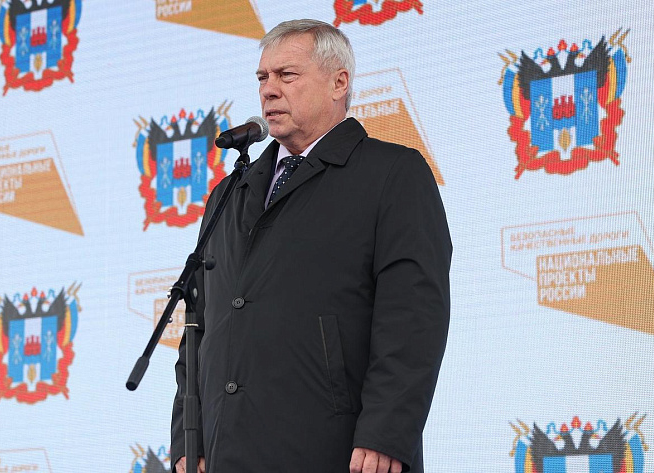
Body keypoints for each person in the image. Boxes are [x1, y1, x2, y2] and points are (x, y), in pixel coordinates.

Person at [171, 19, 451, 473]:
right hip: (227, 451)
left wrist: (386, 433)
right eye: (263, 77)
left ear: (339, 83)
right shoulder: (229, 193)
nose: (269, 89)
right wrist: (189, 437)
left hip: (336, 450)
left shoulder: (392, 174)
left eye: (287, 75)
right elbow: (198, 325)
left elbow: (414, 316)